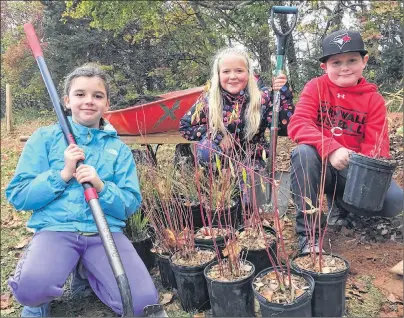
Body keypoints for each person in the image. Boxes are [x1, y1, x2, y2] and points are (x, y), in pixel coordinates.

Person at [5, 64, 158, 317]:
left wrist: (101, 186)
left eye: (97, 96)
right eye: (80, 94)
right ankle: (40, 299)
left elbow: (130, 203)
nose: (89, 101)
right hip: (57, 229)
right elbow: (19, 195)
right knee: (30, 290)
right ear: (66, 100)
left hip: (104, 232)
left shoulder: (118, 149)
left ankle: (86, 274)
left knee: (141, 304)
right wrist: (62, 174)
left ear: (106, 104)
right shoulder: (45, 138)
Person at [288, 30, 403, 253]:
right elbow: (298, 123)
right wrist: (331, 148)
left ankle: (342, 204)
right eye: (336, 62)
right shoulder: (316, 87)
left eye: (352, 60)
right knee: (302, 153)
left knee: (395, 200)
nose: (345, 68)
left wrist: (362, 178)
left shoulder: (374, 99)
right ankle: (308, 234)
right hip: (319, 164)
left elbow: (376, 149)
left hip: (353, 170)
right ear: (325, 66)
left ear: (364, 61)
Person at [179, 46, 294, 179]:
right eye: (226, 71)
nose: (232, 76)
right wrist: (218, 136)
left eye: (239, 71)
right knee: (206, 149)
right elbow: (185, 126)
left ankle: (248, 193)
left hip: (252, 159)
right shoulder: (210, 99)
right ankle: (216, 189)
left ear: (249, 73)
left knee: (248, 191)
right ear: (218, 74)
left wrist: (283, 93)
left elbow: (284, 128)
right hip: (220, 159)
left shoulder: (262, 98)